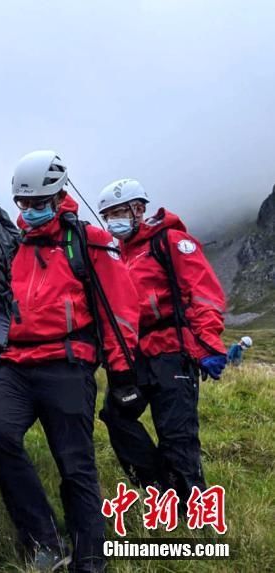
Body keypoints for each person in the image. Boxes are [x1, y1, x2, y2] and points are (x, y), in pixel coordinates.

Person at [0, 151, 139, 572]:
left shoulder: (89, 242)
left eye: (39, 203)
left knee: (75, 465)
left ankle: (89, 561)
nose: (31, 211)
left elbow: (119, 309)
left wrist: (122, 373)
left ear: (60, 194)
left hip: (67, 363)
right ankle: (43, 539)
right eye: (24, 204)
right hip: (14, 363)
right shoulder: (14, 246)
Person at [97, 178, 227, 509]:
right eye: (107, 215)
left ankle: (192, 510)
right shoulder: (116, 254)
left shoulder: (171, 242)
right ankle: (159, 486)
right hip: (136, 354)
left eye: (117, 212)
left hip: (173, 351)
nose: (113, 221)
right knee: (115, 414)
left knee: (177, 435)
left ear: (138, 209)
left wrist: (209, 345)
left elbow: (203, 292)